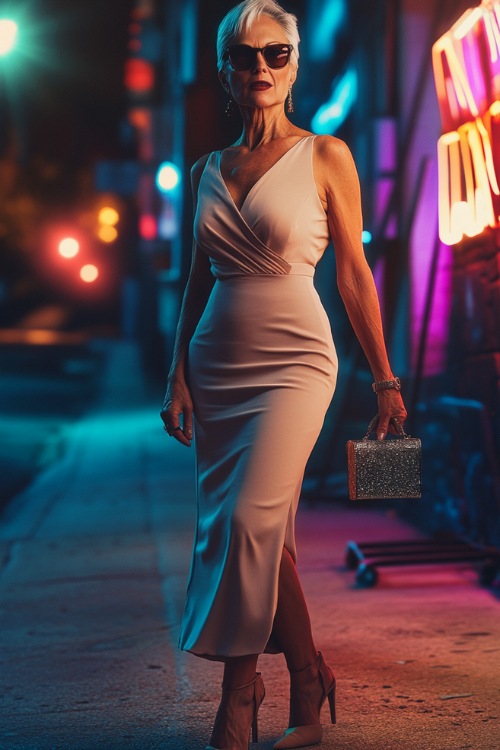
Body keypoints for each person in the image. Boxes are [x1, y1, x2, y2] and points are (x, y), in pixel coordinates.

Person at [160, 1, 407, 748]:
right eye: (243, 56)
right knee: (267, 536)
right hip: (218, 365)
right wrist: (177, 375)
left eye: (274, 53)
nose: (258, 67)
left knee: (244, 523)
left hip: (298, 361)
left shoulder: (327, 155)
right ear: (224, 71)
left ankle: (239, 696)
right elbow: (195, 286)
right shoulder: (206, 169)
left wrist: (386, 379)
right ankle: (307, 673)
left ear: (293, 64)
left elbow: (355, 276)